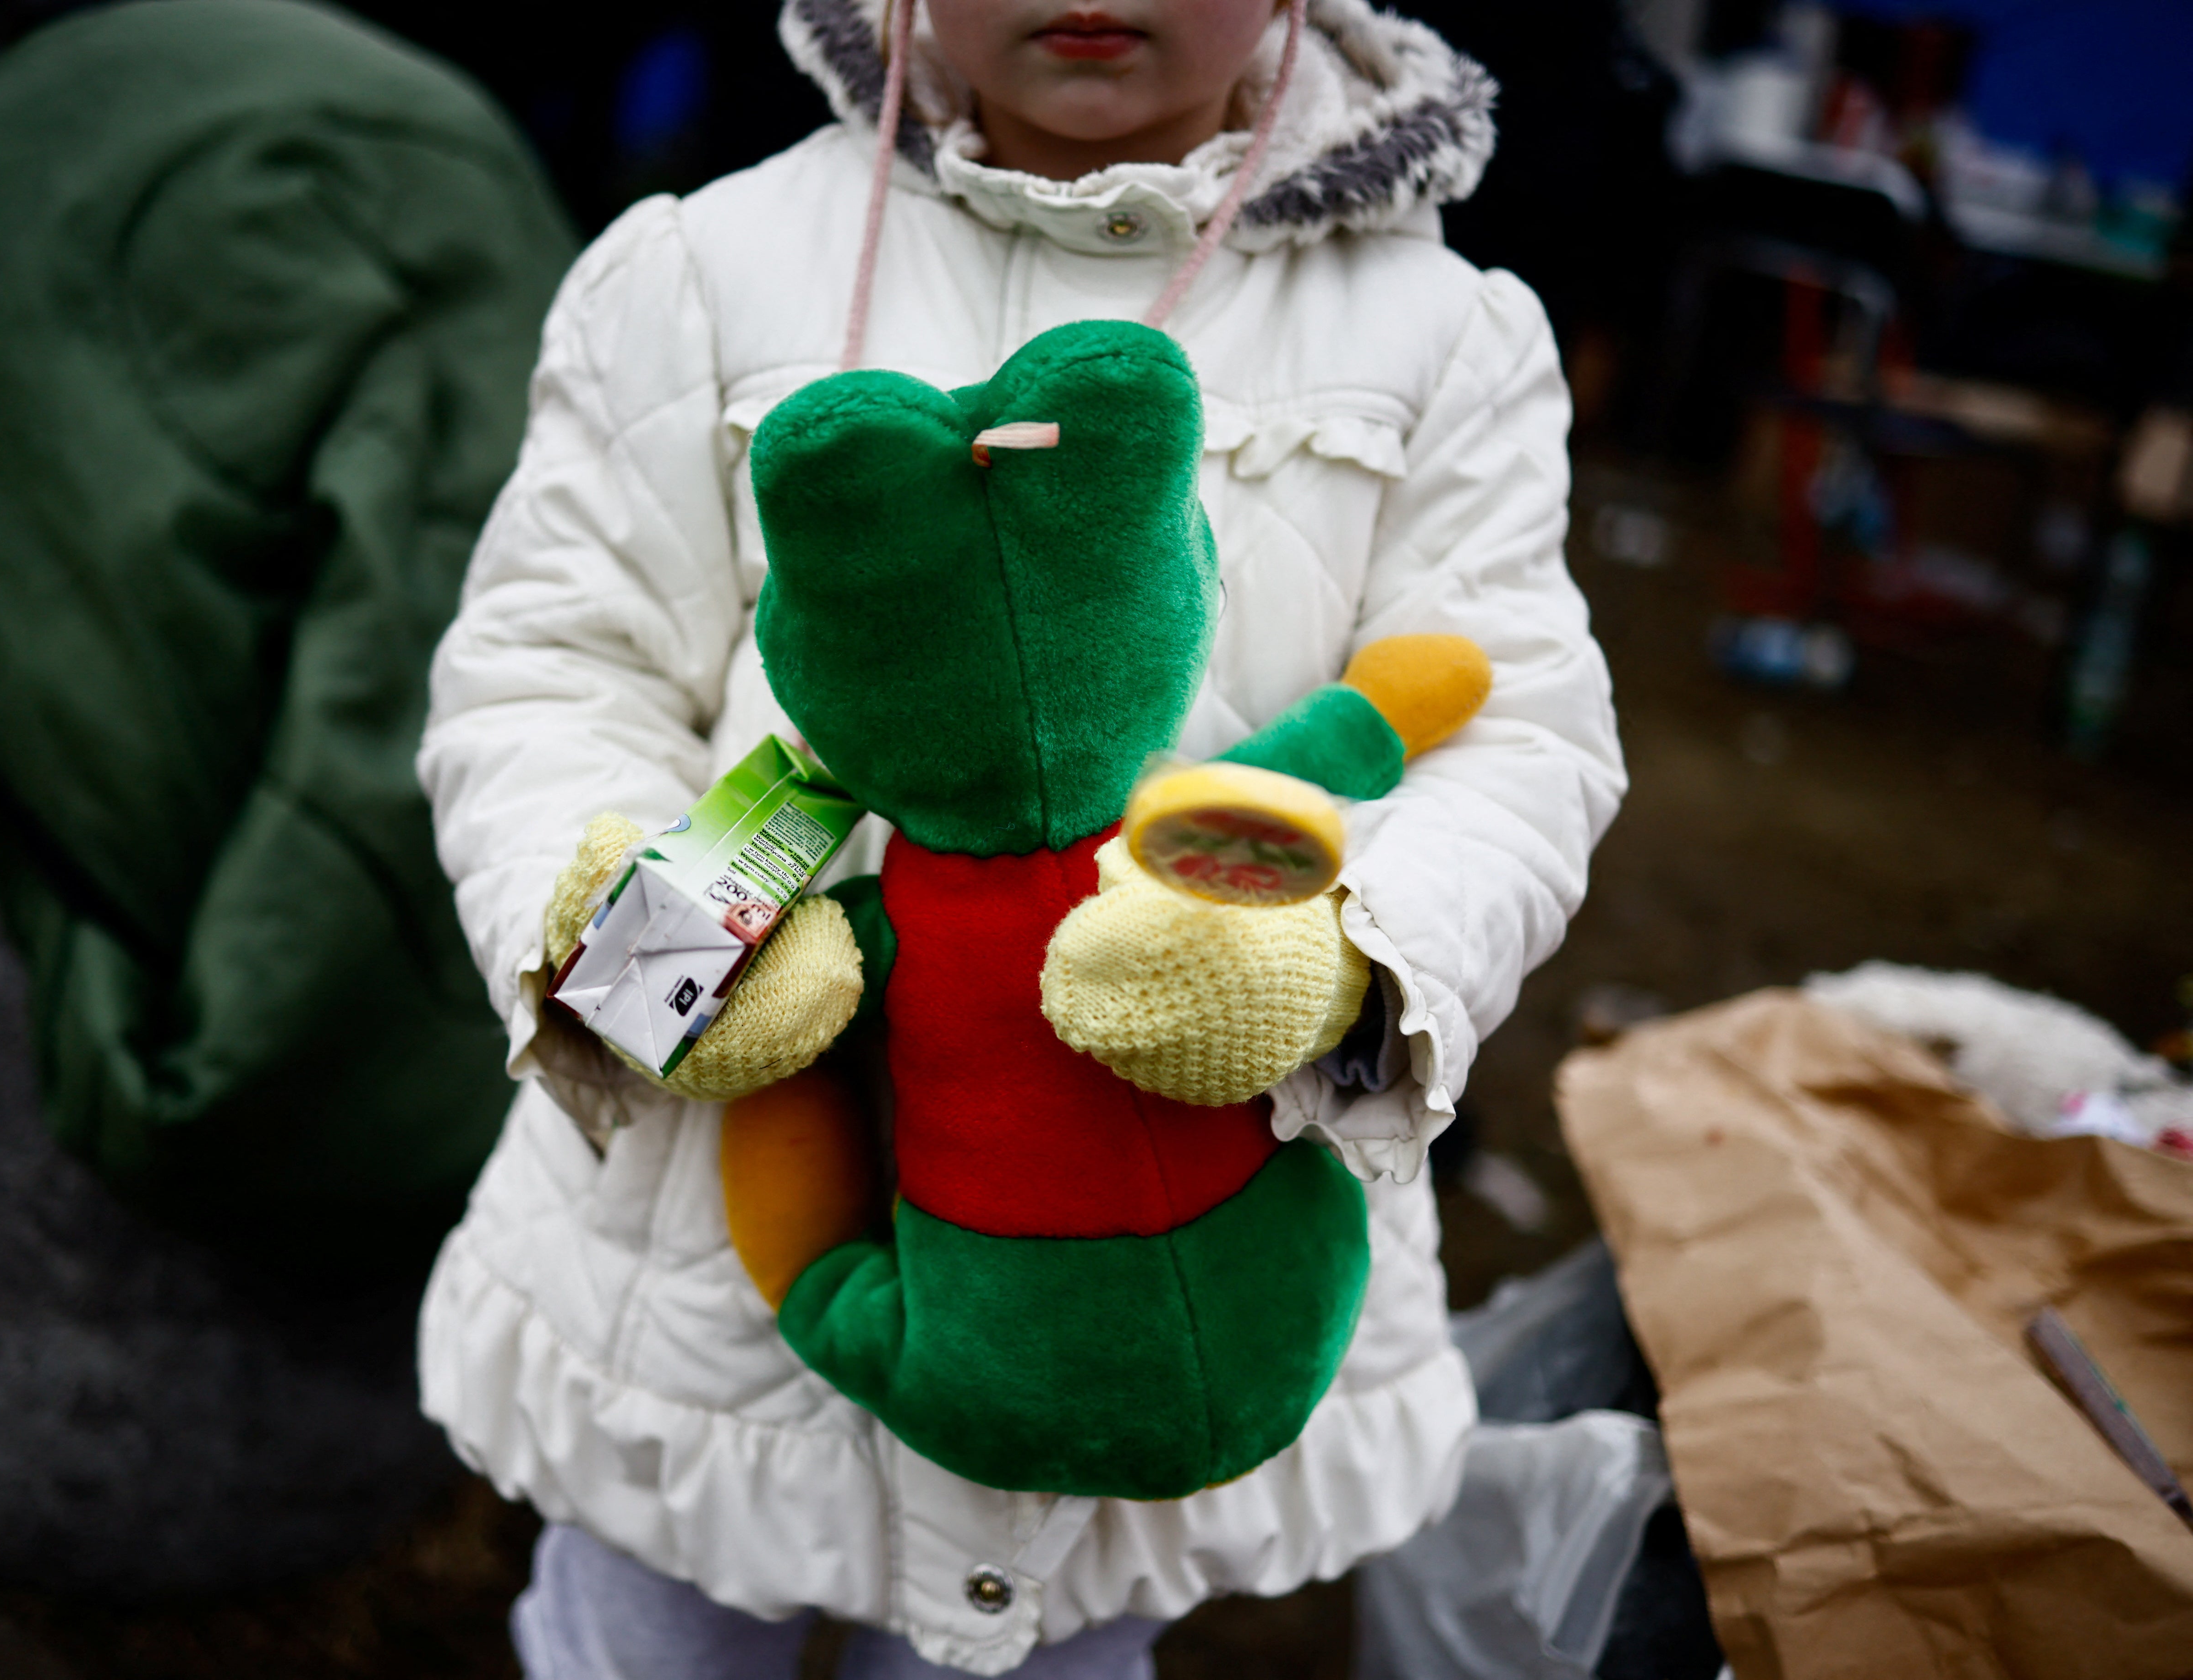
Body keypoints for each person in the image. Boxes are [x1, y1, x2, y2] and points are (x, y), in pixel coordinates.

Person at [415, 0, 1624, 1673]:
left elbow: (1513, 736)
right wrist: (638, 947)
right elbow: (553, 667)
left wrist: (1337, 960)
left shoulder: (1441, 335)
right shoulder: (700, 269)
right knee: (643, 1638)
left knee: (1058, 1649)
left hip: (1163, 1270)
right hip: (690, 1281)